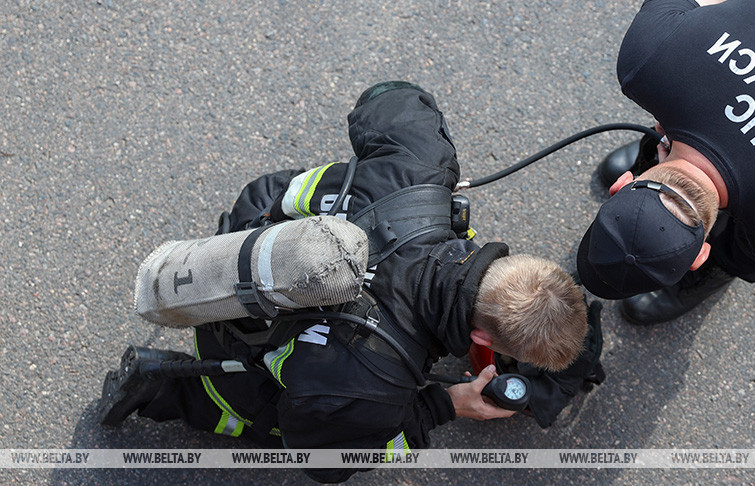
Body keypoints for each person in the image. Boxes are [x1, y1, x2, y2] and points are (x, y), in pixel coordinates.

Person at [99, 82, 603, 483]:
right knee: (269, 415)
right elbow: (323, 464)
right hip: (229, 329)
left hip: (253, 229)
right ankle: (158, 386)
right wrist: (441, 406)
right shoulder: (366, 389)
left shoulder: (421, 168)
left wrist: (402, 172)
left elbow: (389, 97)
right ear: (480, 340)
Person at [578, 0, 755, 324]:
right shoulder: (649, 56)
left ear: (701, 255)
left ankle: (723, 263)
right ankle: (680, 138)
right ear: (623, 184)